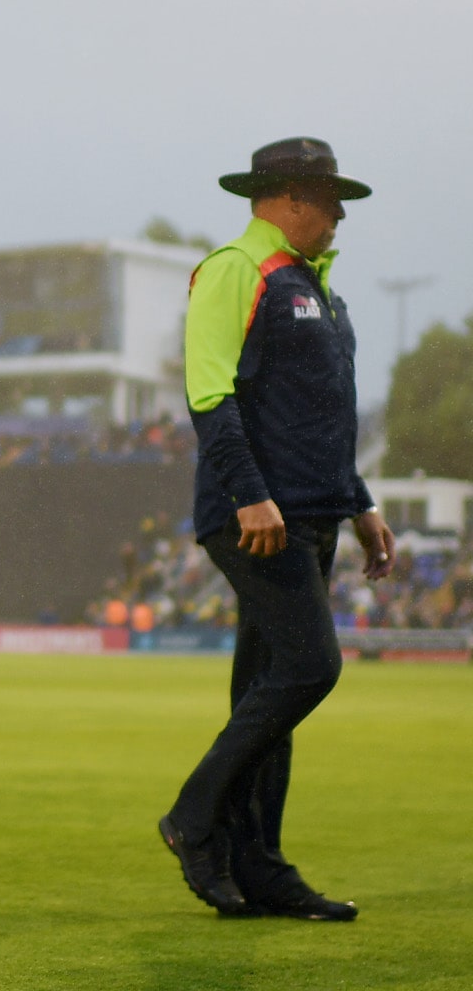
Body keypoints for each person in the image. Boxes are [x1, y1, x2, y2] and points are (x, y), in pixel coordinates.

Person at [158, 137, 396, 922]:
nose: (338, 218)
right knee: (309, 667)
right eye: (330, 202)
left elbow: (329, 418)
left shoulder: (317, 287)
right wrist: (251, 495)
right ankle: (194, 819)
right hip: (258, 516)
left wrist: (361, 504)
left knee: (270, 689)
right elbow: (208, 393)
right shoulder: (236, 268)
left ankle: (258, 866)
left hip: (315, 510)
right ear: (289, 198)